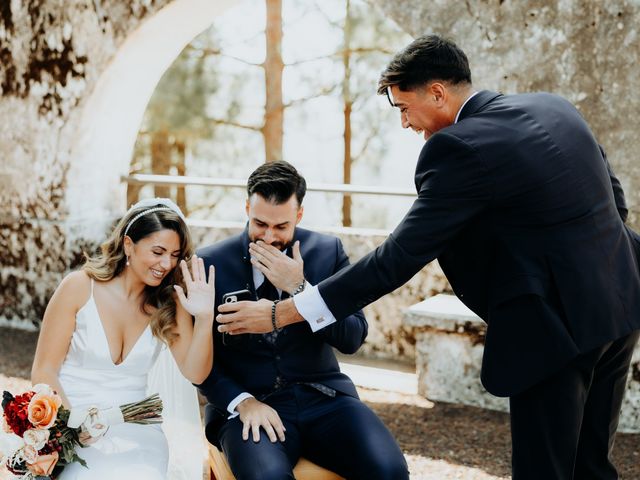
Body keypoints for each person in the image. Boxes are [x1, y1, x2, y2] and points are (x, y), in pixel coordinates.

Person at [216, 36, 640, 479]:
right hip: (620, 298)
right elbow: (614, 203)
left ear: (437, 92)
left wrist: (283, 313)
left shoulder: (456, 148)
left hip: (556, 327)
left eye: (404, 107)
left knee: (544, 469)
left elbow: (395, 259)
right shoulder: (555, 107)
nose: (404, 123)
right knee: (593, 465)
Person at [196, 161, 408, 480]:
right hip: (251, 406)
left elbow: (352, 337)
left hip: (327, 399)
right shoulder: (209, 262)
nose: (268, 237)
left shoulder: (326, 251)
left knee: (389, 471)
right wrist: (242, 402)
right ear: (246, 208)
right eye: (259, 223)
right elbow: (198, 358)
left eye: (281, 226)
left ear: (298, 215)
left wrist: (301, 289)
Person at [31, 198, 216, 480]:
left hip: (137, 427)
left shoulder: (167, 303)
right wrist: (72, 426)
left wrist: (203, 317)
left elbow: (196, 372)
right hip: (70, 418)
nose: (166, 264)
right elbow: (44, 370)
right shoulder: (79, 287)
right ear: (129, 245)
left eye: (175, 255)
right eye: (158, 251)